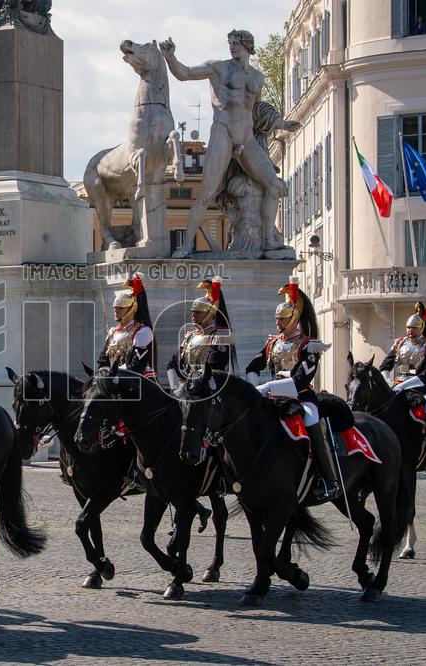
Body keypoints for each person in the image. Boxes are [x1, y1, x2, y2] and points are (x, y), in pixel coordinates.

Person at [161, 30, 288, 258]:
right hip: (223, 132)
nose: (232, 47)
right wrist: (171, 58)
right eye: (230, 43)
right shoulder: (219, 67)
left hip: (246, 139)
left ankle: (268, 239)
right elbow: (185, 73)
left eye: (236, 43)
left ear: (247, 45)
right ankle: (187, 244)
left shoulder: (257, 78)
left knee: (275, 186)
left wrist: (280, 122)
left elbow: (255, 110)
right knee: (207, 193)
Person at [246, 277, 338, 499]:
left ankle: (329, 480)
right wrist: (252, 387)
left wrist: (266, 385)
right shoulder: (273, 343)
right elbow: (253, 365)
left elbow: (300, 381)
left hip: (301, 398)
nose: (278, 323)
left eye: (282, 319)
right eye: (277, 319)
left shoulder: (308, 346)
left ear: (294, 318)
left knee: (311, 419)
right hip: (272, 398)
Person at [379, 302, 426, 472]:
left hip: (423, 389)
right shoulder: (399, 344)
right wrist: (389, 382)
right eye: (408, 327)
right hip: (397, 388)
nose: (410, 331)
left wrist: (403, 386)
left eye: (414, 327)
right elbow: (385, 366)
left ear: (421, 328)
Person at [170, 276, 236, 388]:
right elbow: (172, 364)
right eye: (192, 312)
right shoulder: (190, 336)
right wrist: (174, 387)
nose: (193, 315)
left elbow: (213, 367)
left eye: (199, 312)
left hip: (209, 390)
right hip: (188, 390)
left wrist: (190, 386)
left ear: (210, 313)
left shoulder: (222, 336)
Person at [98, 273, 156, 378]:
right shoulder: (113, 333)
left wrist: (113, 375)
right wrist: (105, 375)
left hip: (134, 382)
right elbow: (103, 361)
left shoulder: (142, 332)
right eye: (115, 308)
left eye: (120, 308)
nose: (116, 311)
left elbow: (136, 366)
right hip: (112, 380)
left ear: (132, 309)